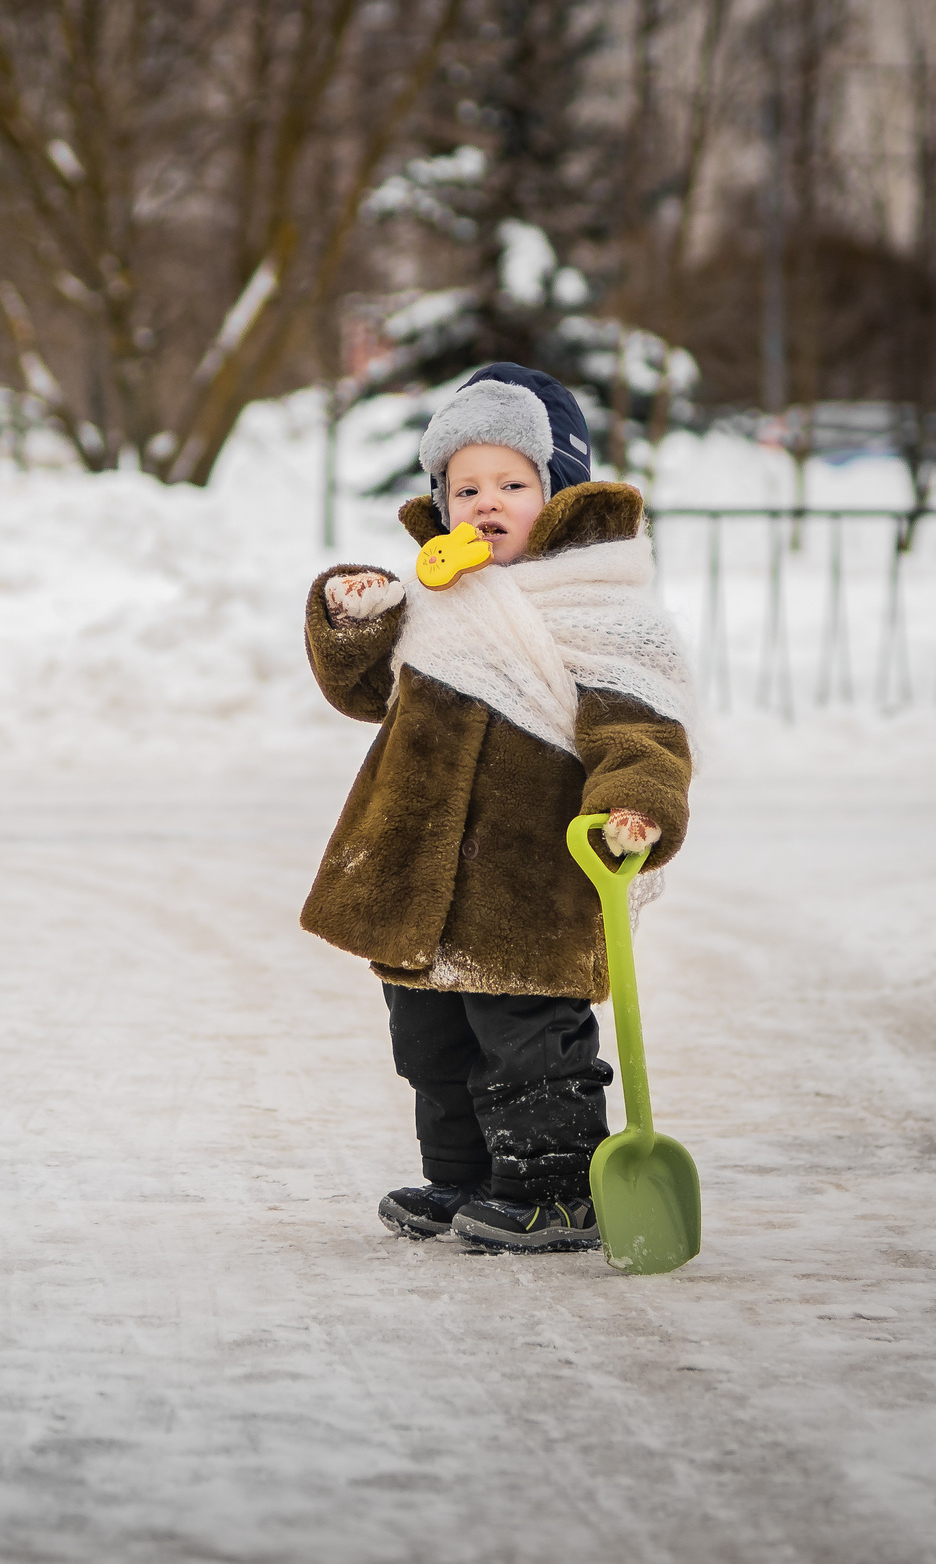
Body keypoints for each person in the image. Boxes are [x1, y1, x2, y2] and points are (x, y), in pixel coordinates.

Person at [300, 365, 695, 1254]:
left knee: (529, 1041)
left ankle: (558, 1188)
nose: (486, 503)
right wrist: (353, 617)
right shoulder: (437, 602)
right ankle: (465, 1178)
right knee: (431, 1042)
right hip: (422, 873)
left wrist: (633, 806)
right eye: (464, 486)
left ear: (557, 493)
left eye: (511, 484)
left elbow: (640, 730)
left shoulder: (603, 610)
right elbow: (366, 694)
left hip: (533, 879)